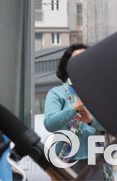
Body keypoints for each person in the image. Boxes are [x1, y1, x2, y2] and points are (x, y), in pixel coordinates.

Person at [44, 44, 108, 175]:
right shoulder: (57, 93)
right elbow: (49, 124)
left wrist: (91, 120)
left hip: (98, 161)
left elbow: (112, 125)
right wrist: (74, 108)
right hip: (68, 163)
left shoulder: (100, 93)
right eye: (77, 59)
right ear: (67, 67)